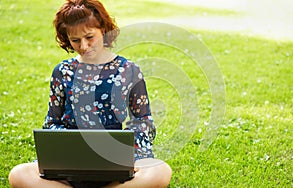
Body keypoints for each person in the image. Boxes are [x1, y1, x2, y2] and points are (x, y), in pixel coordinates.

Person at [8, 0, 172, 187]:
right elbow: (52, 123)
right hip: (70, 164)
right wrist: (75, 144)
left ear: (103, 29)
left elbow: (143, 122)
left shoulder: (128, 70)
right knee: (18, 174)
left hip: (114, 164)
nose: (84, 46)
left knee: (160, 171)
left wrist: (127, 154)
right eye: (75, 40)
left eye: (89, 37)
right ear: (66, 38)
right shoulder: (63, 71)